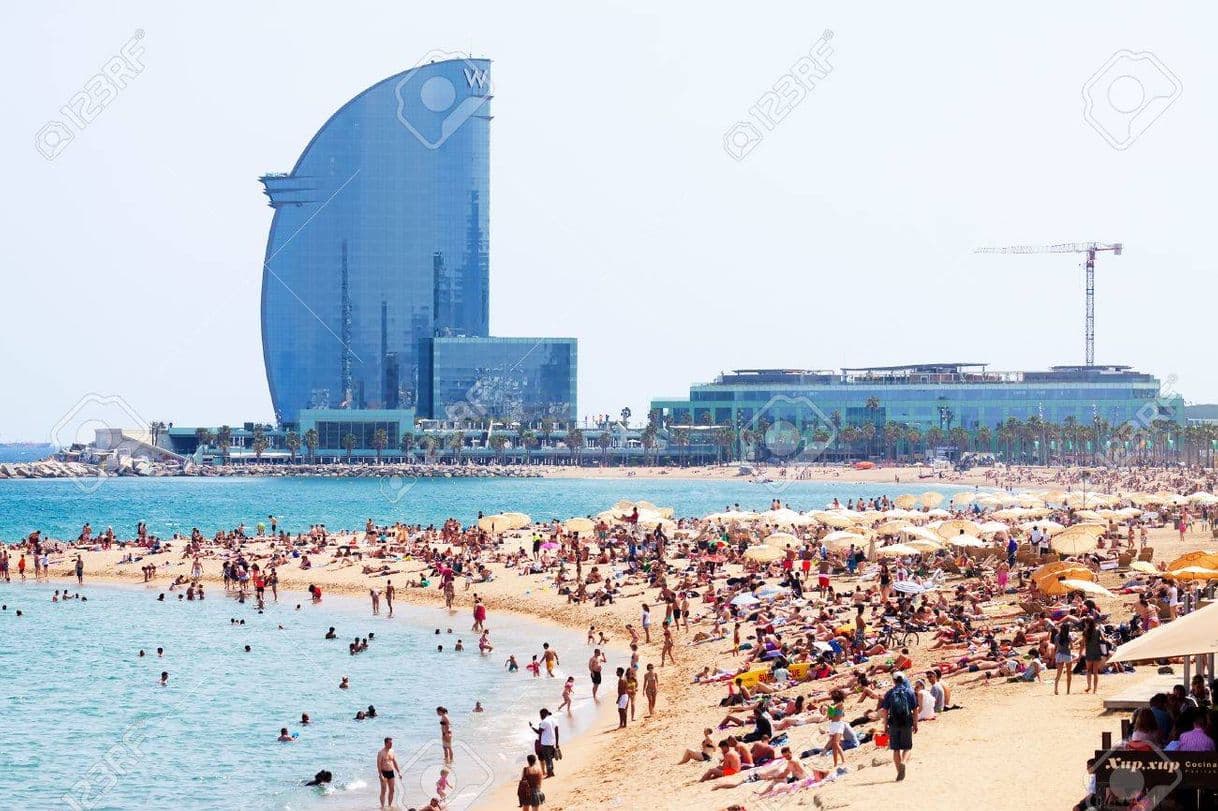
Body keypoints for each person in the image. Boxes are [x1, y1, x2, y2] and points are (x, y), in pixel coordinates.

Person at [880, 672, 919, 781]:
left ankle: (899, 773)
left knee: (896, 749)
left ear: (893, 680)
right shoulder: (910, 692)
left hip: (894, 723)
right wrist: (915, 723)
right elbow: (915, 709)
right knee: (907, 747)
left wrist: (885, 726)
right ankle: (904, 762)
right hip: (907, 722)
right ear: (903, 680)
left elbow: (885, 710)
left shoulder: (889, 693)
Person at [530, 708, 560, 777]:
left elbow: (539, 732)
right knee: (550, 759)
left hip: (545, 743)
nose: (540, 716)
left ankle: (550, 773)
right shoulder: (553, 720)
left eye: (540, 714)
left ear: (543, 714)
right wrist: (557, 743)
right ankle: (551, 771)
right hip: (552, 742)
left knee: (547, 759)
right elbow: (557, 732)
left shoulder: (544, 722)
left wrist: (531, 727)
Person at [377, 737, 401, 808]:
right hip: (384, 773)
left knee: (392, 790)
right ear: (386, 743)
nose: (391, 744)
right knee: (383, 790)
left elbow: (394, 761)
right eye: (390, 743)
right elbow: (378, 764)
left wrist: (399, 772)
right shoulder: (381, 752)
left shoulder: (392, 751)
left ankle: (389, 805)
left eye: (392, 743)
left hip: (391, 772)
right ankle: (382, 806)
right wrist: (380, 774)